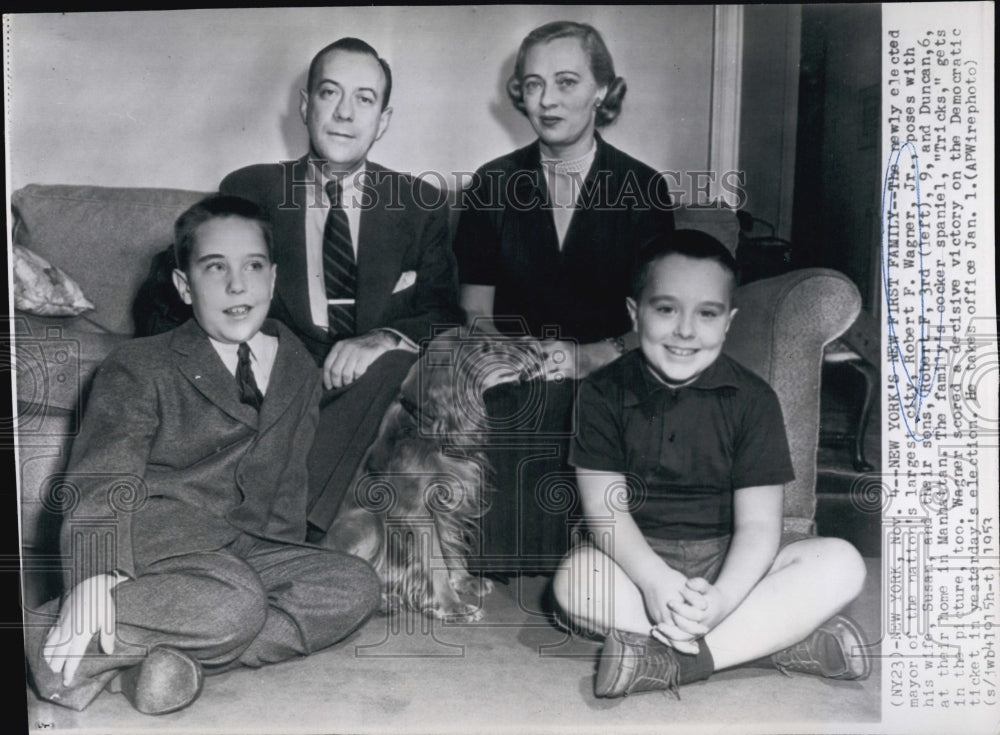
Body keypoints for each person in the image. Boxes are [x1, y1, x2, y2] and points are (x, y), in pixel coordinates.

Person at [26, 196, 380, 715]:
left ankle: (163, 660)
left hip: (248, 546)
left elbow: (290, 476)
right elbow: (102, 477)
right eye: (216, 269)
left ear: (274, 278)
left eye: (253, 267)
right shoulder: (140, 364)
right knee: (236, 602)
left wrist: (282, 560)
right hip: (157, 538)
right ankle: (46, 634)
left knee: (353, 585)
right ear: (185, 286)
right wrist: (95, 573)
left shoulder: (298, 364)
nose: (238, 286)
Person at [552, 230, 870, 698]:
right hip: (637, 562)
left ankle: (684, 661)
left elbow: (761, 529)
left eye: (706, 313)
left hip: (733, 562)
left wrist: (720, 600)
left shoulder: (754, 400)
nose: (685, 330)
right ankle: (774, 645)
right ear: (633, 314)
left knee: (843, 563)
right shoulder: (600, 394)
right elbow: (606, 515)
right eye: (665, 309)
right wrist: (655, 580)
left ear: (728, 323)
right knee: (575, 581)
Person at [451, 21, 675, 571]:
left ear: (602, 91)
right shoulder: (491, 184)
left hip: (611, 368)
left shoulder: (643, 189)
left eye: (567, 82)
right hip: (514, 372)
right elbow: (475, 308)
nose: (546, 100)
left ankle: (593, 564)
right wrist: (511, 353)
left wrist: (592, 356)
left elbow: (662, 314)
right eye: (532, 84)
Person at [218, 37, 463, 538]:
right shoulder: (250, 188)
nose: (345, 114)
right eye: (330, 94)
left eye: (365, 99)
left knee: (400, 361)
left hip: (365, 381)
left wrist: (381, 338)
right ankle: (291, 533)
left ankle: (279, 528)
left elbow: (443, 311)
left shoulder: (419, 203)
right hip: (281, 372)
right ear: (307, 107)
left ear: (383, 120)